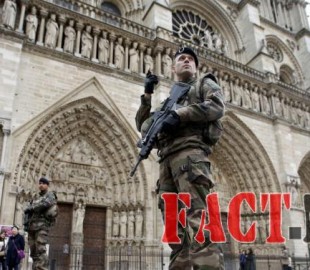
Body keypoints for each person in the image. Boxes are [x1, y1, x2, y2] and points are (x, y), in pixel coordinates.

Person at [135, 47, 225, 269]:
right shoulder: (167, 102)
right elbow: (144, 126)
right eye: (181, 59)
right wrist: (147, 96)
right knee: (174, 229)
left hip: (190, 156)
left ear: (195, 66)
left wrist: (180, 115)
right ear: (173, 67)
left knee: (198, 218)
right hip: (166, 162)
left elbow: (216, 106)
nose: (186, 61)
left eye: (190, 59)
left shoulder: (204, 83)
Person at [24, 177, 58, 270]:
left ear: (47, 185)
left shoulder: (50, 195)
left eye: (43, 183)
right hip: (32, 227)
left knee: (41, 250)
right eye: (39, 183)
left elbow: (45, 204)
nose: (41, 185)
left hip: (41, 226)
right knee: (33, 251)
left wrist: (31, 208)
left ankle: (43, 268)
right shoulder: (36, 197)